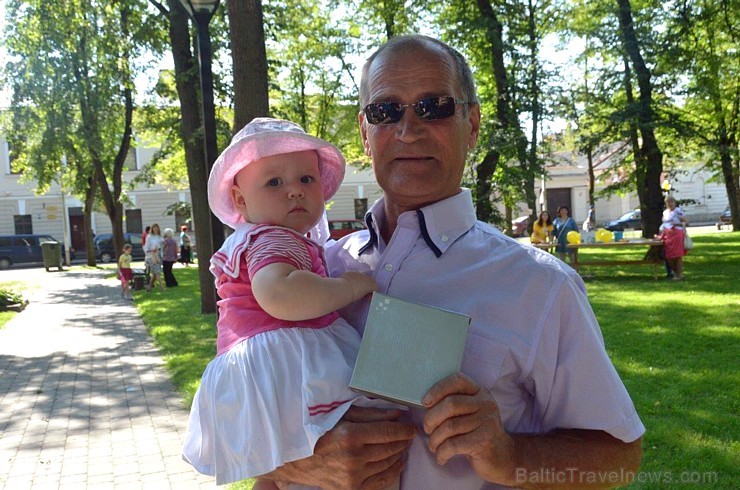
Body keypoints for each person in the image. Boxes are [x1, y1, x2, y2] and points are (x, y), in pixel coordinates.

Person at [262, 35, 644, 489]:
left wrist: (508, 454)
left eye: (434, 106)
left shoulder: (539, 286)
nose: (409, 129)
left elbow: (620, 456)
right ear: (366, 132)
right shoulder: (314, 272)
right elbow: (247, 417)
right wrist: (289, 463)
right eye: (386, 111)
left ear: (473, 123)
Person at [182, 117, 398, 486]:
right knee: (350, 444)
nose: (294, 191)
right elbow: (280, 294)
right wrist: (349, 286)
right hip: (286, 362)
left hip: (259, 369)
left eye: (306, 179)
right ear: (240, 200)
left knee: (275, 473)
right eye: (274, 182)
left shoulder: (261, 238)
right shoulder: (274, 239)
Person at [656, 196, 688, 281]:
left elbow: (686, 223)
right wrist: (661, 236)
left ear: (674, 202)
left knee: (678, 256)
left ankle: (679, 275)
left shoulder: (678, 211)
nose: (670, 204)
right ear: (666, 204)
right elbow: (664, 225)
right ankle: (676, 272)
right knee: (668, 256)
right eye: (668, 202)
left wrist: (676, 224)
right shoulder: (665, 213)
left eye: (671, 202)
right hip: (668, 235)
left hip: (677, 234)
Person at [143, 223, 165, 292]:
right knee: (157, 272)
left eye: (157, 228)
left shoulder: (159, 237)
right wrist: (152, 250)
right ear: (152, 229)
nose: (156, 229)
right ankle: (162, 287)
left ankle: (149, 287)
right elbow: (146, 248)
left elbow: (163, 244)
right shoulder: (149, 237)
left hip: (159, 254)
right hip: (152, 255)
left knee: (154, 274)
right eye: (154, 228)